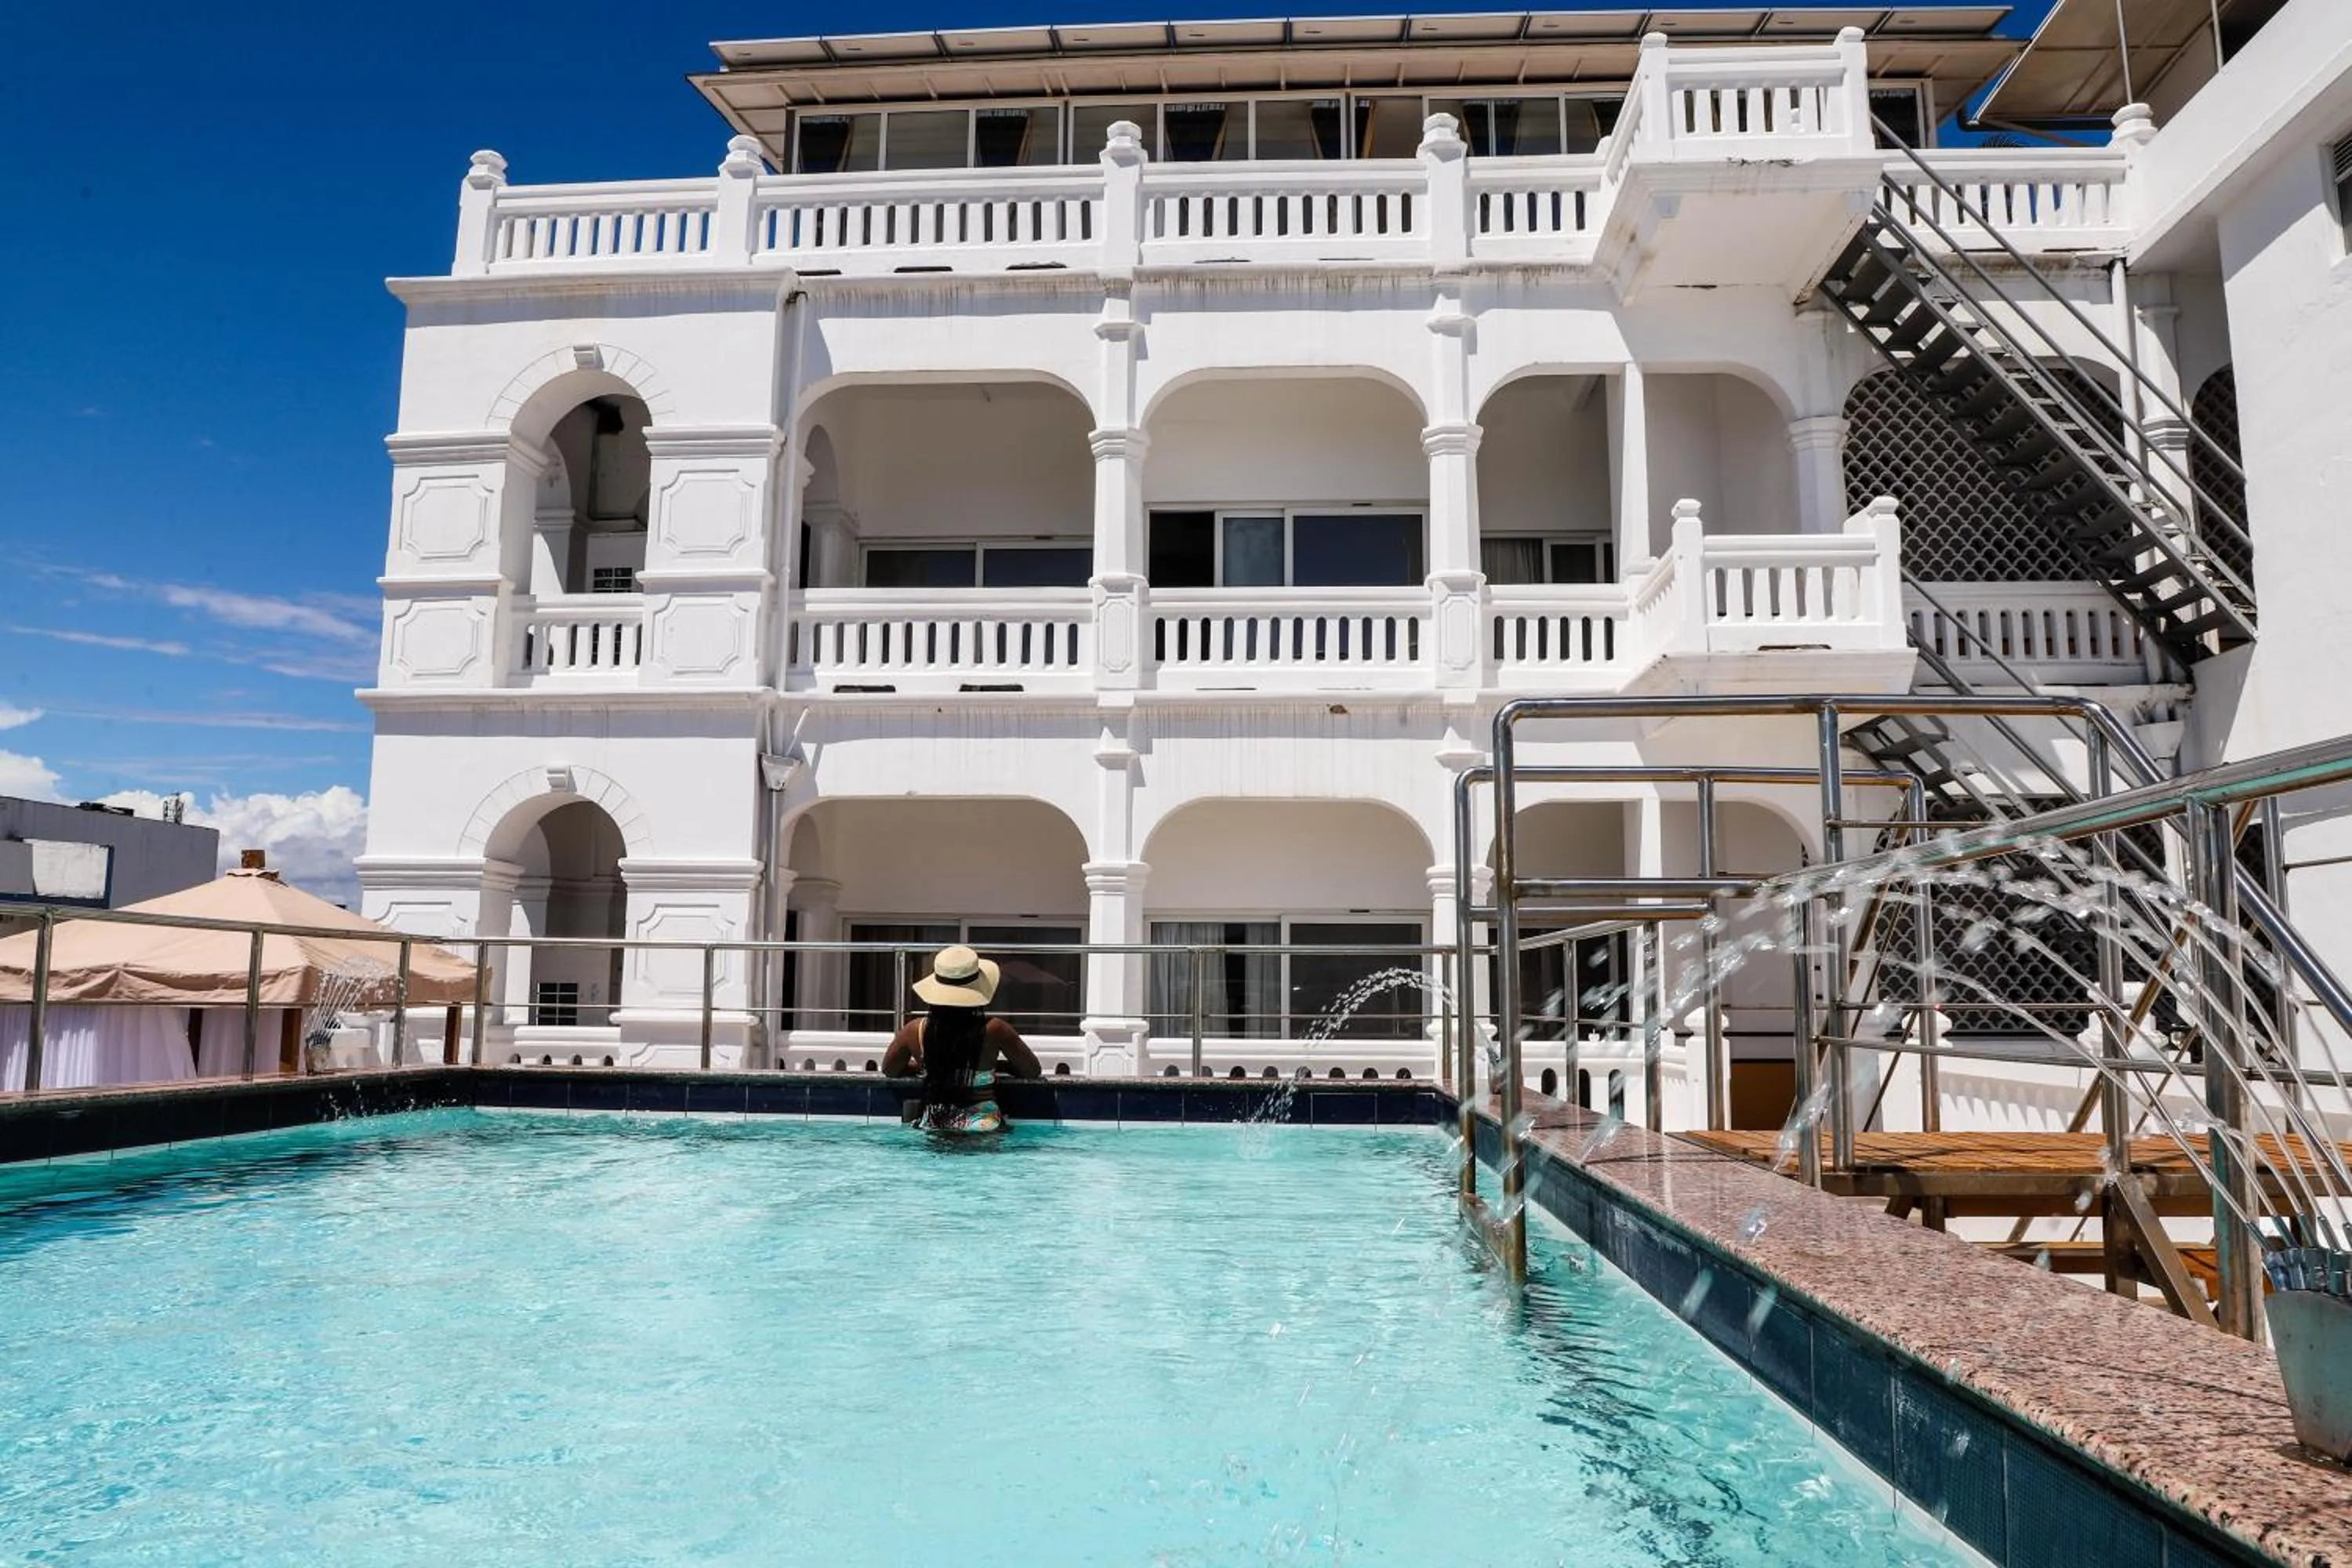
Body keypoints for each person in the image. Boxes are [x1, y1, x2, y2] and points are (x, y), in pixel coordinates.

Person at [881, 946, 1043, 1134]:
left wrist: (924, 1067)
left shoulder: (915, 1030)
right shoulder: (994, 1029)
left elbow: (890, 1070)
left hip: (934, 1123)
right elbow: (1031, 1070)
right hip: (983, 1125)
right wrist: (1002, 1067)